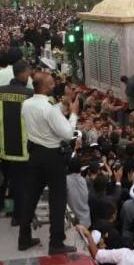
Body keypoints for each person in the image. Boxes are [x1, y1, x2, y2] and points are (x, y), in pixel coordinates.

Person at [18, 73, 79, 255]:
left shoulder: (26, 104)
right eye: (52, 83)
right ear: (46, 87)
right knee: (57, 200)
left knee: (31, 197)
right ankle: (56, 243)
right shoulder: (49, 108)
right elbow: (67, 133)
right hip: (52, 157)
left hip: (34, 154)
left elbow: (47, 115)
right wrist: (73, 113)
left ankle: (24, 238)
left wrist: (63, 104)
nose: (54, 85)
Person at [0, 59, 34, 221]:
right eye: (28, 72)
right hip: (22, 150)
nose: (29, 76)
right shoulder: (29, 94)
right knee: (20, 184)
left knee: (2, 180)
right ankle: (17, 217)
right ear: (22, 74)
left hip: (3, 146)